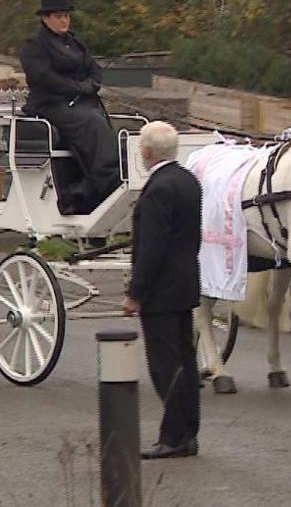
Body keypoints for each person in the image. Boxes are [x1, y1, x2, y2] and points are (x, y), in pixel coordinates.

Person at [122, 121, 202, 459]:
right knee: (186, 361)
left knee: (165, 366)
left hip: (160, 291)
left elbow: (151, 248)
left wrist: (135, 293)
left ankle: (172, 437)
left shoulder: (157, 189)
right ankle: (188, 432)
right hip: (185, 283)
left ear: (148, 152)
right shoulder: (188, 181)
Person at [18, 0, 120, 214]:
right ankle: (105, 178)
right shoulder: (35, 46)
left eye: (66, 16)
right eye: (59, 16)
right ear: (46, 18)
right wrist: (76, 88)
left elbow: (93, 67)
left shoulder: (74, 42)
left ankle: (107, 176)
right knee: (92, 122)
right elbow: (43, 77)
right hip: (51, 104)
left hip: (79, 102)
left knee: (101, 119)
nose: (64, 20)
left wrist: (92, 84)